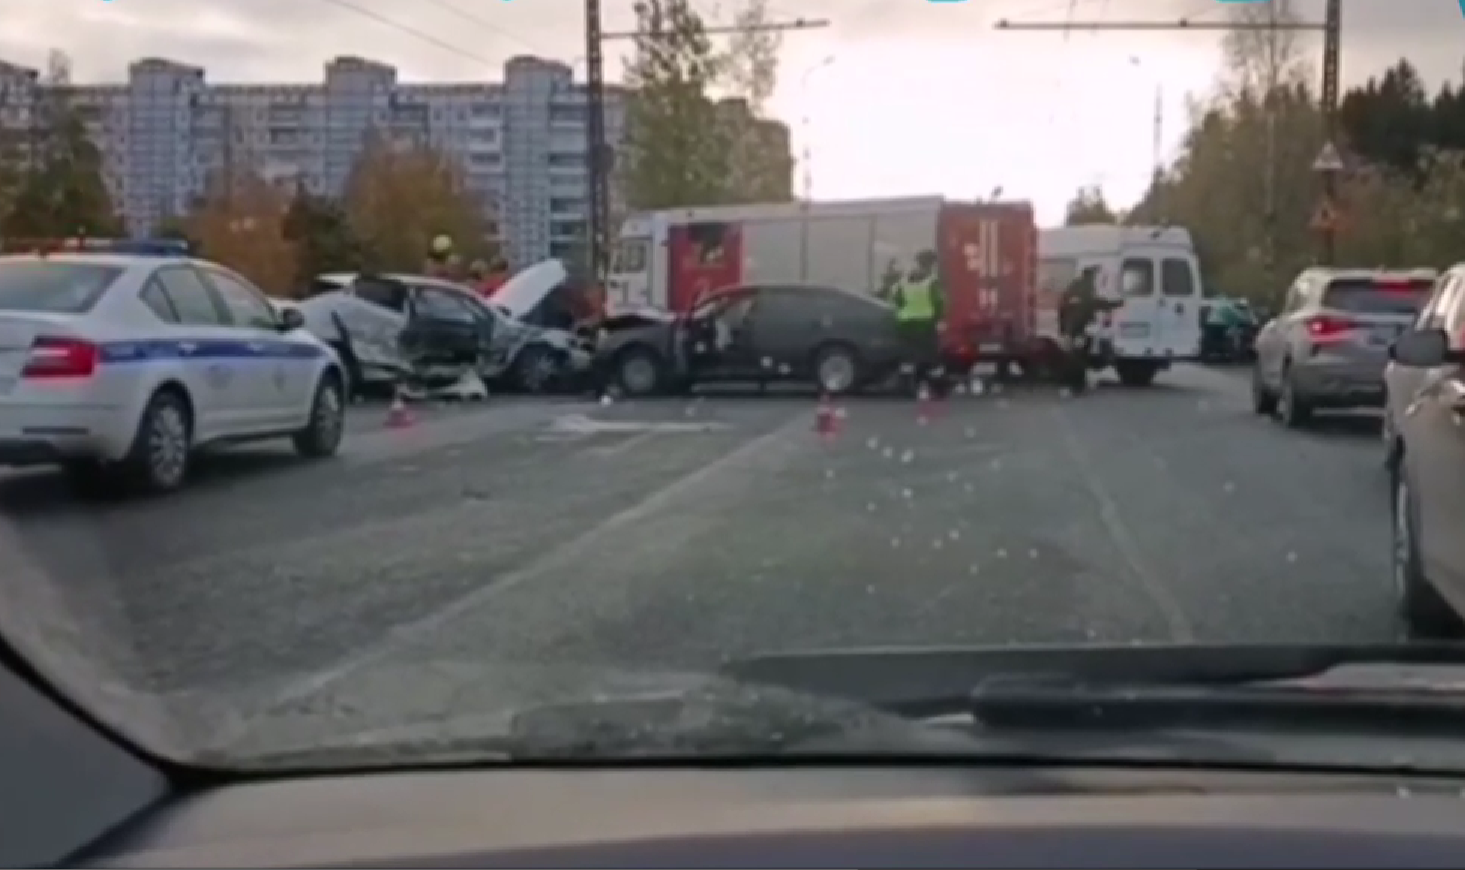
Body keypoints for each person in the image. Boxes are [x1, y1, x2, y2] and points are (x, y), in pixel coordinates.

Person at [891, 250, 945, 393]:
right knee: (931, 359)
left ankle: (906, 389)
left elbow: (897, 300)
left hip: (906, 324)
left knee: (908, 357)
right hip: (926, 324)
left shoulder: (904, 281)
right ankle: (936, 389)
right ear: (931, 264)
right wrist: (939, 318)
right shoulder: (931, 281)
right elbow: (939, 302)